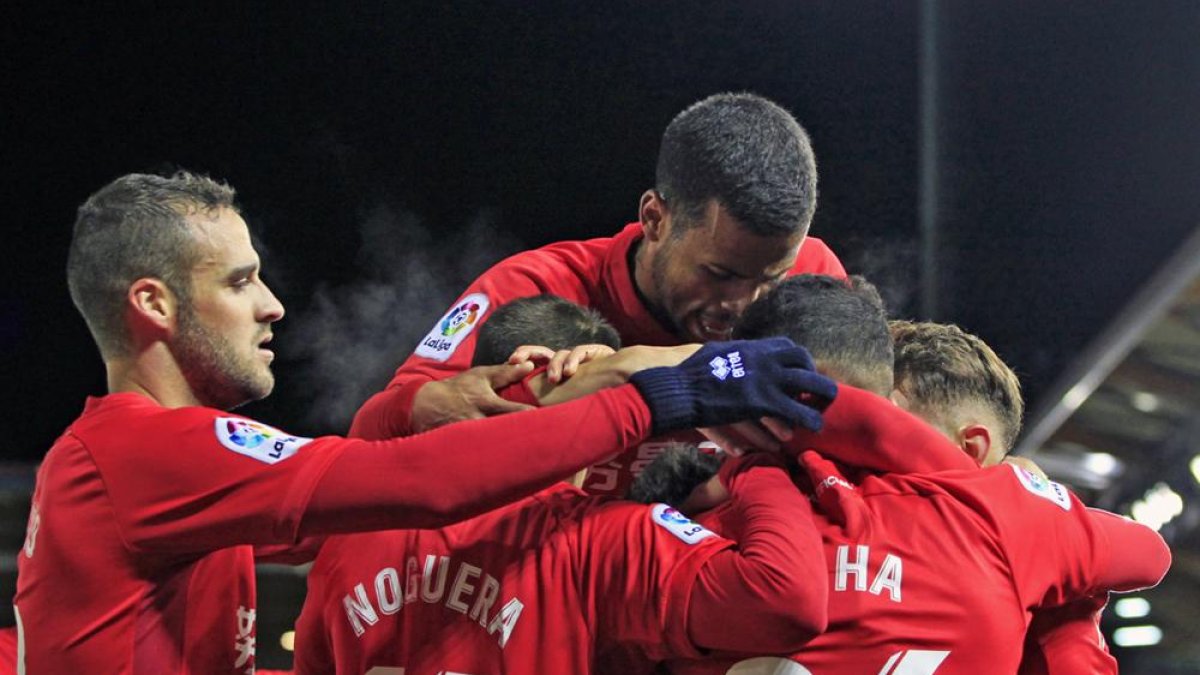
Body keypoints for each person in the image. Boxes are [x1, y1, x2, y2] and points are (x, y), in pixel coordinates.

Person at [13, 171, 838, 672]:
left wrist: (408, 407)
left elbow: (357, 492)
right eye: (239, 283)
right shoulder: (142, 449)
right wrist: (657, 396)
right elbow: (417, 481)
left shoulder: (152, 463)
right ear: (153, 305)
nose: (272, 306)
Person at [290, 296, 834, 675]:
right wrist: (759, 465)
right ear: (548, 372)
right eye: (614, 379)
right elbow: (784, 598)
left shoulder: (351, 537)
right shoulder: (598, 535)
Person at [649, 317, 1169, 674]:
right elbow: (1148, 554)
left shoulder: (760, 496)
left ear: (972, 447)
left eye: (895, 413)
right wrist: (1061, 566)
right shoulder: (1016, 512)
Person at [350, 92, 846, 440]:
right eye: (721, 275)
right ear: (655, 218)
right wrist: (627, 371)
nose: (742, 305)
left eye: (770, 279)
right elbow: (373, 431)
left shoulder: (812, 281)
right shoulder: (534, 288)